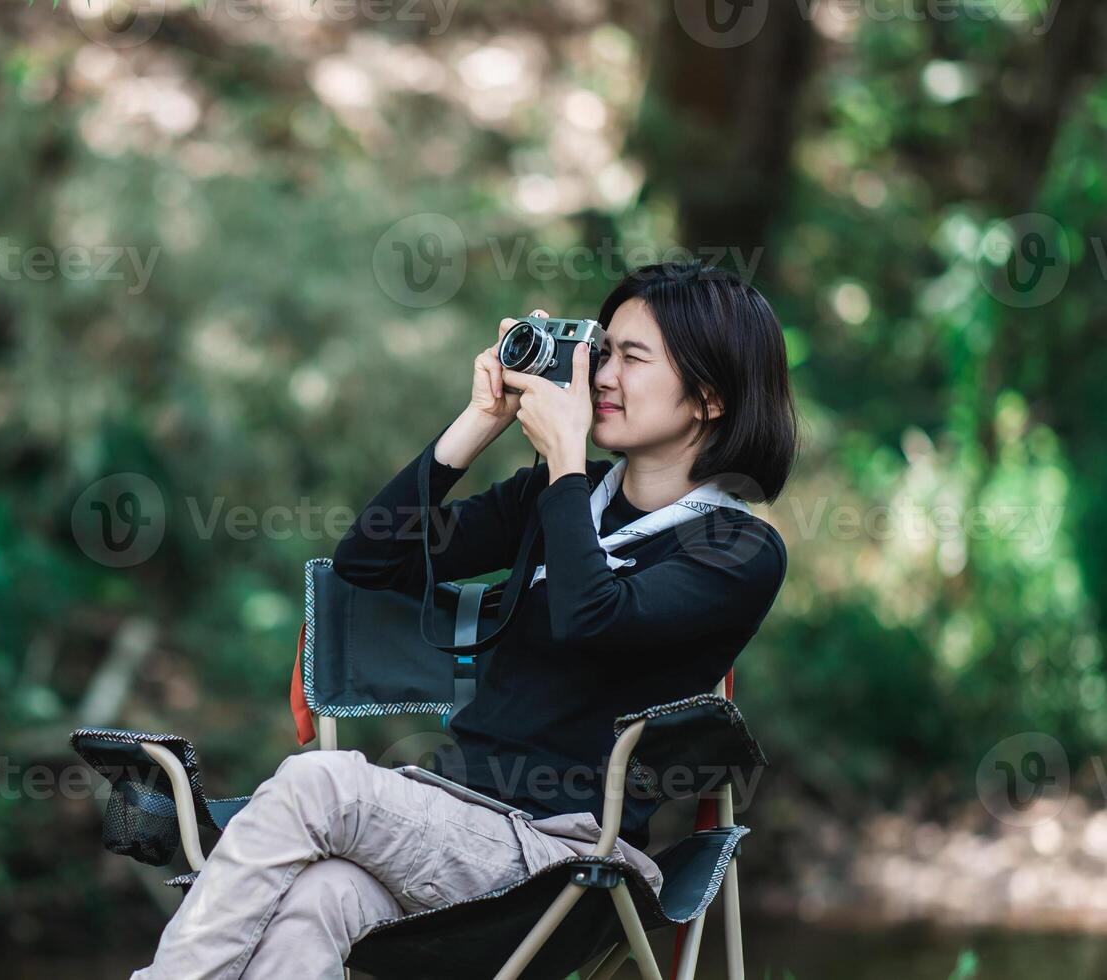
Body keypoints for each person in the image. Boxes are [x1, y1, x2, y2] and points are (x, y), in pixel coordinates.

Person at [130, 262, 799, 979]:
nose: (601, 376)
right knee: (316, 902)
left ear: (709, 398)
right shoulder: (552, 497)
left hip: (571, 855)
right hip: (453, 820)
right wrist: (481, 421)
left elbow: (591, 618)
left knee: (314, 783)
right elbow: (370, 558)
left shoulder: (737, 548)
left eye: (632, 359)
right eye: (602, 352)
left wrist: (565, 461)